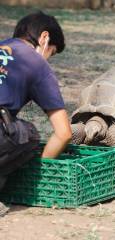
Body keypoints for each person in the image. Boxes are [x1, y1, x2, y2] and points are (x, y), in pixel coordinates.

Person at [0, 11, 72, 216]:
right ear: (44, 38)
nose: (49, 59)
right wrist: (42, 173)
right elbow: (63, 133)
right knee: (29, 134)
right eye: (52, 52)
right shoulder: (36, 62)